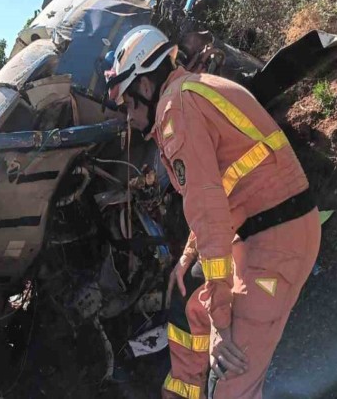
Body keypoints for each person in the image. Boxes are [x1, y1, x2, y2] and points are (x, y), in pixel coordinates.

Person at [106, 25, 321, 399]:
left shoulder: (176, 111)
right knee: (187, 285)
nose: (128, 116)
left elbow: (208, 214)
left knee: (230, 385)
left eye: (127, 103)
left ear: (145, 86)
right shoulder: (189, 92)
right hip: (265, 232)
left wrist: (222, 324)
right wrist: (188, 258)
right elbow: (216, 197)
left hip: (275, 246)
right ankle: (184, 391)